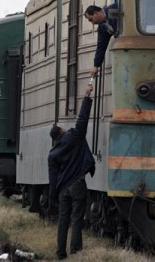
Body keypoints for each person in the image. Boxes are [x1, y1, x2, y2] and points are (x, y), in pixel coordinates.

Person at [48, 83, 96, 260]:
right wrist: (86, 96)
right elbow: (83, 118)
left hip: (63, 190)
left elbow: (52, 178)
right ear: (62, 131)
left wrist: (53, 195)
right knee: (76, 219)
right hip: (77, 185)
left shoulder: (52, 154)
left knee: (63, 221)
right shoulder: (75, 136)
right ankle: (75, 252)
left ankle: (60, 253)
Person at [84, 3, 118, 77]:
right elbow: (101, 46)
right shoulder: (102, 28)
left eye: (91, 19)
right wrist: (96, 65)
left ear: (95, 13)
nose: (92, 23)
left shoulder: (114, 8)